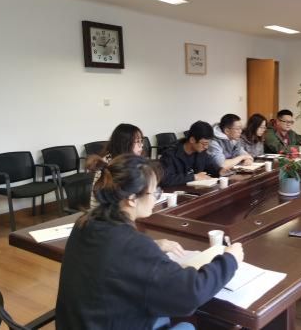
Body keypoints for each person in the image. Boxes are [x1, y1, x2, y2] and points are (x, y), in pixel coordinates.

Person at [56, 154, 243, 330]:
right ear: (131, 199)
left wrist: (152, 246)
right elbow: (190, 294)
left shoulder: (85, 223)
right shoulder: (133, 246)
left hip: (78, 323)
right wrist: (230, 259)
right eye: (154, 192)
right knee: (186, 326)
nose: (156, 197)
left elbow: (112, 258)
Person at [90, 123, 145, 208]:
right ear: (125, 143)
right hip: (109, 212)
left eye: (141, 141)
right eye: (137, 141)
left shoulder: (133, 161)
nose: (141, 145)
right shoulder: (107, 165)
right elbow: (97, 204)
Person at [160, 121, 225, 187]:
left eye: (208, 143)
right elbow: (165, 179)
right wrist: (194, 177)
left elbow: (210, 166)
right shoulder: (170, 154)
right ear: (192, 140)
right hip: (177, 191)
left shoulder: (201, 152)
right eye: (204, 144)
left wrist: (220, 171)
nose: (206, 147)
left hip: (196, 189)